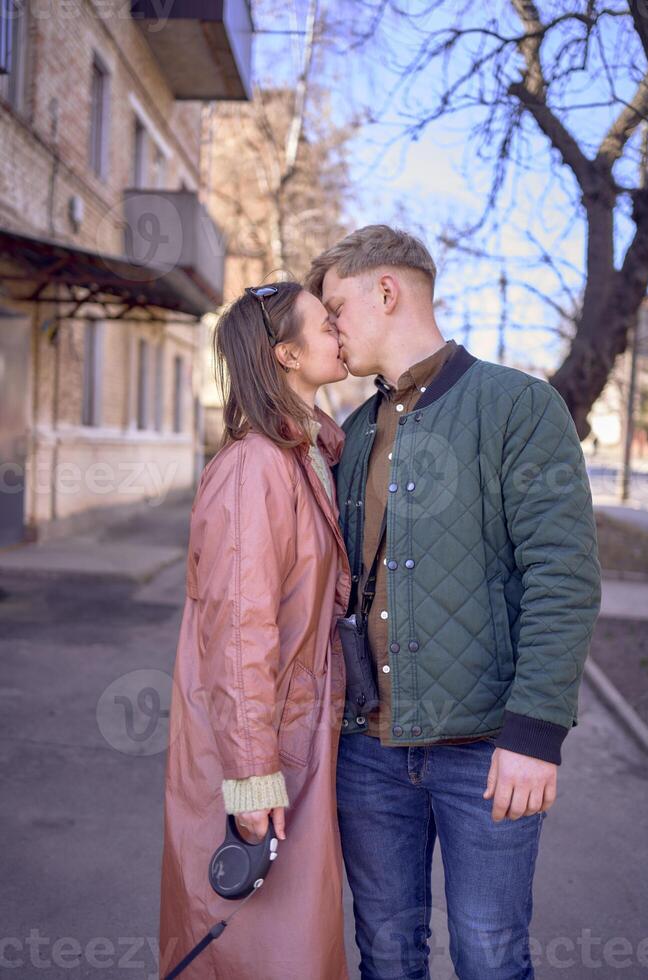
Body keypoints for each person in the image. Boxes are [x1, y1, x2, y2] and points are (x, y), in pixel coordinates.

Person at [305, 225, 602, 980]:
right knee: (388, 958)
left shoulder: (520, 406)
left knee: (492, 959)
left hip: (485, 751)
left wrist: (535, 734)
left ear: (385, 290)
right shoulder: (354, 430)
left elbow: (562, 576)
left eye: (336, 306)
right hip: (367, 752)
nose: (331, 328)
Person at [158, 281, 352, 980]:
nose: (340, 333)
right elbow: (240, 635)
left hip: (294, 742)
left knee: (291, 946)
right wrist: (249, 783)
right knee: (265, 951)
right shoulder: (254, 468)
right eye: (326, 325)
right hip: (262, 759)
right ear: (287, 354)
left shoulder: (307, 454)